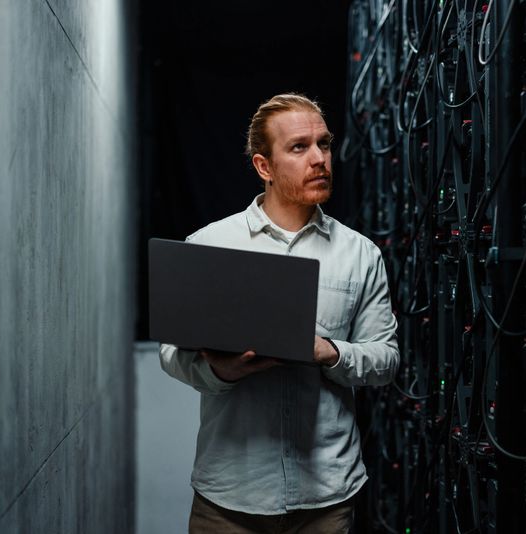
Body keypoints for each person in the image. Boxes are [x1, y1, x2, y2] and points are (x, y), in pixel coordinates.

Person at [159, 93, 400, 533]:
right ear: (263, 167)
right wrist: (223, 372)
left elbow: (385, 360)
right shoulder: (211, 245)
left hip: (326, 499)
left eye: (323, 144)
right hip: (230, 499)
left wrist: (328, 353)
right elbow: (173, 354)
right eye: (298, 147)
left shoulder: (359, 254)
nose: (319, 159)